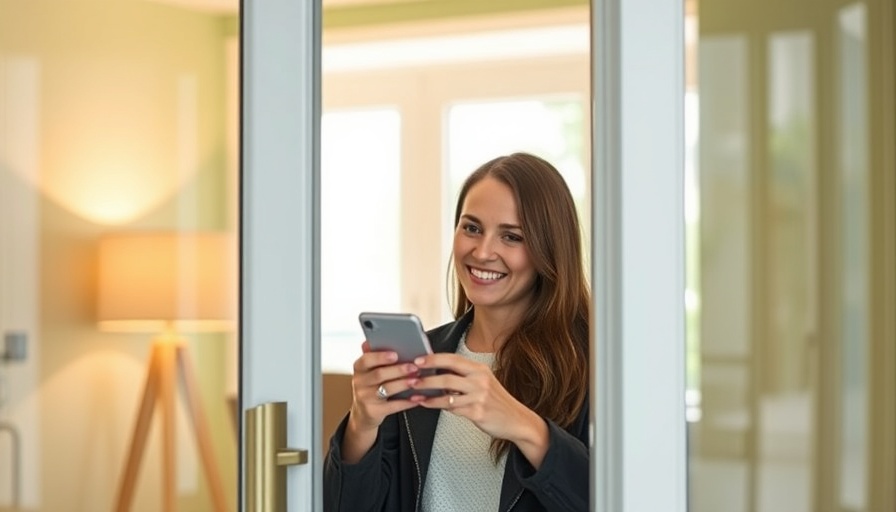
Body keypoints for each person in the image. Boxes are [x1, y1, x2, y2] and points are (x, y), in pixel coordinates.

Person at [324, 152, 590, 511]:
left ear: (549, 250)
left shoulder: (591, 365)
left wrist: (526, 427)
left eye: (511, 237)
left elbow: (622, 497)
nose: (482, 251)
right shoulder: (425, 359)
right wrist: (361, 424)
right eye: (472, 228)